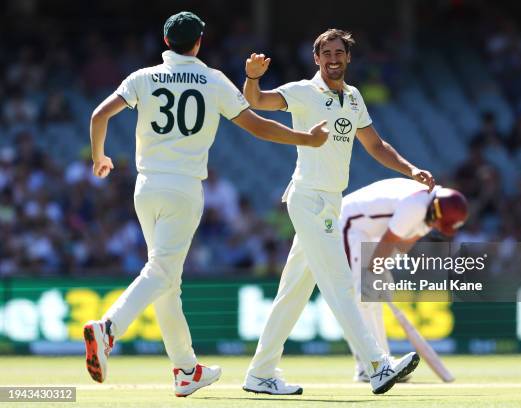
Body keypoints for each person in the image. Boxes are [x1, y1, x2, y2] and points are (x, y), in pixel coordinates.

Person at [82, 11, 328, 398]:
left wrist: (100, 157)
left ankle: (185, 369)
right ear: (198, 42)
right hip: (184, 187)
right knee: (162, 271)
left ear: (166, 43)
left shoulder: (142, 78)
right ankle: (108, 328)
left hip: (145, 188)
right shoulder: (213, 80)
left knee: (167, 281)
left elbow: (100, 115)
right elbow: (258, 126)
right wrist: (305, 139)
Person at [241, 28, 435, 395]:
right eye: (326, 53)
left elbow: (376, 146)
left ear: (348, 58)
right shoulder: (302, 91)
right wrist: (252, 77)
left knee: (293, 293)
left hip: (332, 201)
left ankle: (260, 373)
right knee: (341, 282)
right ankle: (376, 366)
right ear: (316, 58)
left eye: (339, 53)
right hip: (308, 199)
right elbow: (257, 101)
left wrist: (410, 169)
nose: (333, 59)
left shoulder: (354, 97)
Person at [339, 178, 468, 382]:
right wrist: (374, 271)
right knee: (362, 299)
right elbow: (390, 239)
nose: (436, 226)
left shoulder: (429, 213)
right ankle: (368, 366)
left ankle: (379, 363)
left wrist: (382, 271)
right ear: (437, 209)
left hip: (371, 233)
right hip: (348, 223)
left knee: (372, 301)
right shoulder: (416, 206)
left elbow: (402, 245)